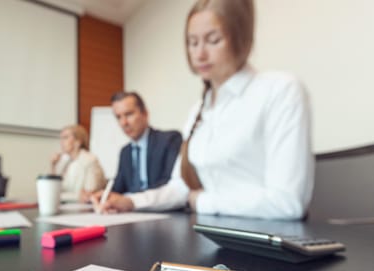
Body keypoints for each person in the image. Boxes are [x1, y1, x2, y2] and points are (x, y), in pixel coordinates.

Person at [93, 0, 314, 220]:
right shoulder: (198, 110)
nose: (199, 54)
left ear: (241, 39)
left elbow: (288, 203)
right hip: (211, 237)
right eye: (192, 42)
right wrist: (131, 202)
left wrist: (201, 201)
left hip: (265, 242)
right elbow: (180, 188)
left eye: (213, 40)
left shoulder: (280, 90)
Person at [110, 91, 182, 193]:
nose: (123, 123)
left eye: (129, 114)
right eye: (118, 117)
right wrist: (97, 196)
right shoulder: (125, 152)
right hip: (131, 208)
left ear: (145, 114)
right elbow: (117, 189)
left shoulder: (169, 140)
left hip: (159, 207)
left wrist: (133, 200)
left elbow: (170, 184)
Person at [51, 125, 106, 202]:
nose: (61, 142)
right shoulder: (65, 162)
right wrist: (53, 166)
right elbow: (54, 190)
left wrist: (59, 196)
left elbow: (88, 195)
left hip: (84, 209)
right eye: (61, 138)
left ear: (78, 142)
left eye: (65, 137)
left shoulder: (89, 160)